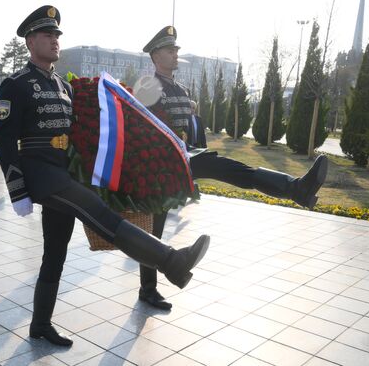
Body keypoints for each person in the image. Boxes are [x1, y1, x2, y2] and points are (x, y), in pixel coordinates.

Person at [0, 5, 210, 347]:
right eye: (48, 35)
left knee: (55, 253)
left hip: (62, 172)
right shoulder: (16, 85)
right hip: (41, 174)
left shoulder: (61, 86)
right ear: (30, 41)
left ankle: (39, 324)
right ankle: (172, 261)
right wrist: (18, 189)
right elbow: (4, 139)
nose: (55, 41)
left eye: (57, 35)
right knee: (100, 215)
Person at [133, 25, 329, 310]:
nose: (176, 54)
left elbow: (190, 129)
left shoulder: (180, 88)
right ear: (155, 55)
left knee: (231, 169)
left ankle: (297, 188)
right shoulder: (147, 85)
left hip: (183, 156)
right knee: (153, 228)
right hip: (159, 164)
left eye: (176, 50)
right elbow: (141, 127)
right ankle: (147, 289)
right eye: (169, 50)